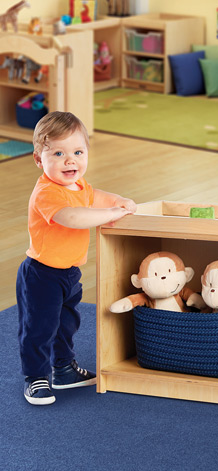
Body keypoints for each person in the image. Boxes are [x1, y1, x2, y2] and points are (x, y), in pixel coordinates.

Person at [17, 111, 137, 405]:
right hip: (42, 274)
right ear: (38, 159)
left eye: (77, 152)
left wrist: (117, 201)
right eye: (58, 153)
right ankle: (36, 377)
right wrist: (107, 216)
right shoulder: (47, 193)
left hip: (69, 273)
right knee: (39, 327)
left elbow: (94, 196)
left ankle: (64, 369)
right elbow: (72, 217)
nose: (70, 160)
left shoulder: (79, 186)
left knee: (66, 323)